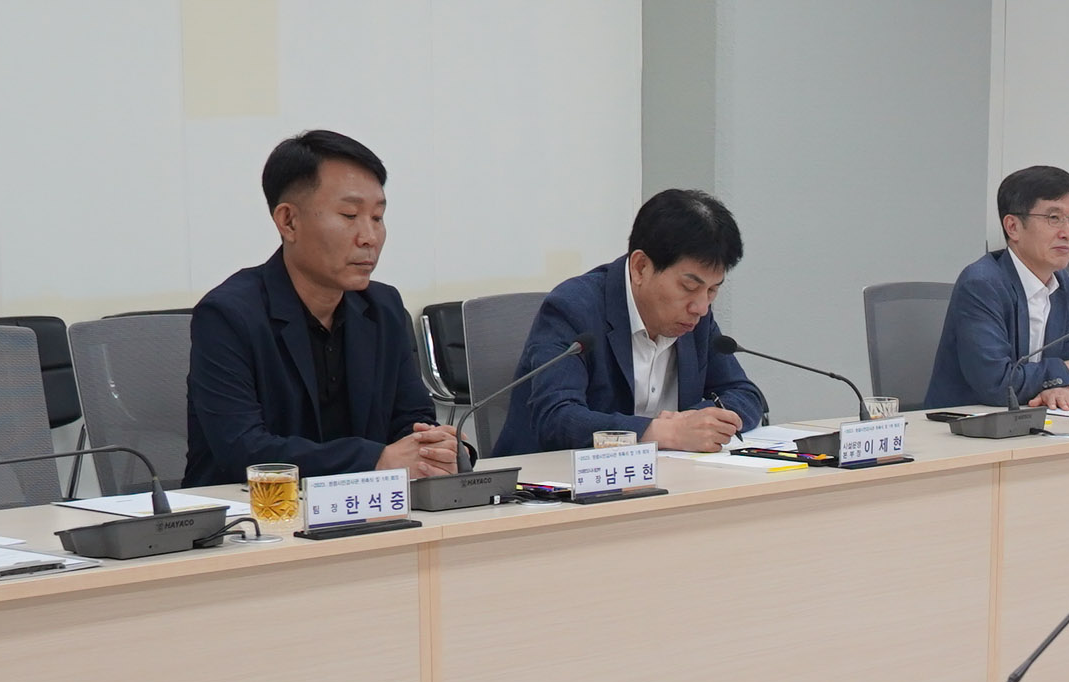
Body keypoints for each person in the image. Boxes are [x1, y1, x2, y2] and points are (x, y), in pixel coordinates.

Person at [183, 130, 458, 488]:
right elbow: (243, 449)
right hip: (248, 511)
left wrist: (436, 449)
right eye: (349, 215)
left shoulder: (383, 308)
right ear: (288, 222)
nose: (369, 237)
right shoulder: (228, 316)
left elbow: (413, 419)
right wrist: (376, 460)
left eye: (377, 217)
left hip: (366, 508)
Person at [509, 189, 769, 455]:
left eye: (713, 290)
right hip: (555, 475)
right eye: (689, 286)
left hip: (667, 473)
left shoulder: (695, 317)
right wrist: (662, 432)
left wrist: (696, 422)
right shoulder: (573, 308)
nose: (701, 307)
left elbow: (745, 395)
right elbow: (557, 419)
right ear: (640, 267)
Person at [931, 164, 1069, 411]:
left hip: (1036, 420)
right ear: (1013, 227)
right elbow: (997, 384)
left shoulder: (1063, 284)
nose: (1068, 233)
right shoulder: (981, 284)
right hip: (971, 425)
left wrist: (1067, 387)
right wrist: (1062, 371)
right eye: (1054, 218)